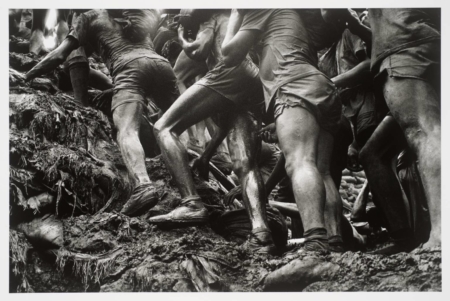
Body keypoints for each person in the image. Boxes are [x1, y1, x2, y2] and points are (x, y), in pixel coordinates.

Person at [24, 9, 180, 217]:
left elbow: (61, 54)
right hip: (161, 66)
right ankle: (192, 185)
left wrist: (28, 74)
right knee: (173, 126)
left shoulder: (89, 16)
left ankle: (143, 186)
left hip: (129, 69)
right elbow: (139, 54)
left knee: (126, 130)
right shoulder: (136, 16)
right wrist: (112, 89)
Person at [151, 10, 277, 254]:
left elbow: (197, 50)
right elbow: (225, 124)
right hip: (250, 78)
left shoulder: (210, 20)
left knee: (163, 127)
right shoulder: (231, 17)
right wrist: (207, 154)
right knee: (244, 164)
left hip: (229, 71)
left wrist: (181, 37)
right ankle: (262, 234)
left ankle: (191, 203)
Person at [221, 9, 344, 252]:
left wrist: (235, 14)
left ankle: (315, 243)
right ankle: (334, 241)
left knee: (299, 162)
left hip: (292, 83)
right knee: (323, 170)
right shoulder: (297, 18)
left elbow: (229, 54)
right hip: (321, 86)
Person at [330, 8, 441, 249]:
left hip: (402, 55)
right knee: (374, 153)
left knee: (423, 134)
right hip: (410, 50)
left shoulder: (360, 28)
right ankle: (404, 237)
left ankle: (436, 234)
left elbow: (366, 59)